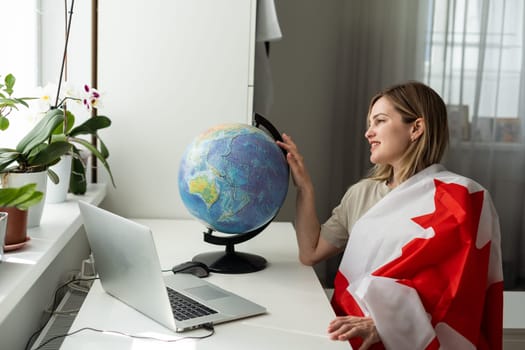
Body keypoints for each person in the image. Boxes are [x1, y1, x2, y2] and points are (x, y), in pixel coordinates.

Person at [277, 81, 503, 350]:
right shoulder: (362, 193)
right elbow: (311, 252)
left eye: (380, 121)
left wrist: (384, 322)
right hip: (348, 334)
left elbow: (458, 289)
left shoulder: (462, 197)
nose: (368, 133)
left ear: (416, 128)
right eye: (370, 123)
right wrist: (304, 187)